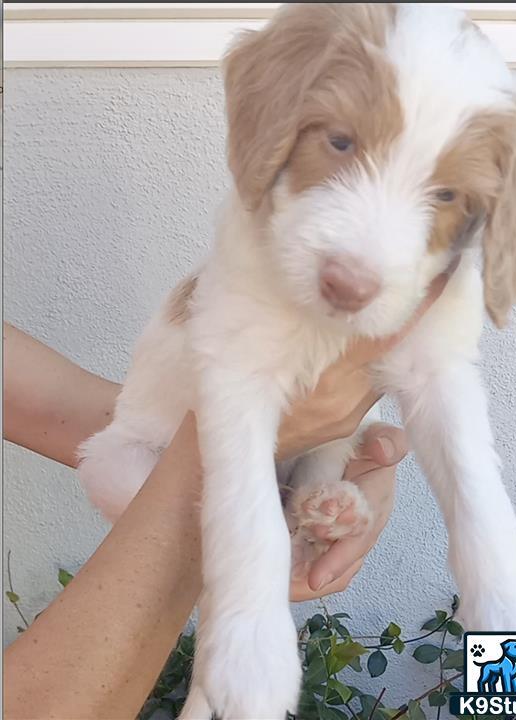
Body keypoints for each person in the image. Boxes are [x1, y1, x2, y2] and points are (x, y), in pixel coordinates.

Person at [2, 270, 448, 720]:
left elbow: (63, 405)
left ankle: (306, 502)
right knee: (116, 466)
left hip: (191, 440)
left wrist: (326, 429)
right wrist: (209, 467)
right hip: (191, 451)